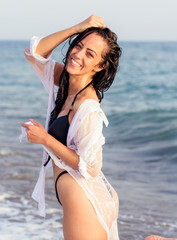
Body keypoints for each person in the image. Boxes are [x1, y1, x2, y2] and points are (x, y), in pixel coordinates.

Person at [21, 15, 121, 240]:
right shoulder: (65, 82)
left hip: (84, 197)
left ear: (100, 66)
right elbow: (33, 53)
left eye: (89, 54)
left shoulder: (88, 107)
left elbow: (90, 167)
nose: (77, 54)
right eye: (78, 45)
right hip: (75, 193)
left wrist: (45, 139)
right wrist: (78, 27)